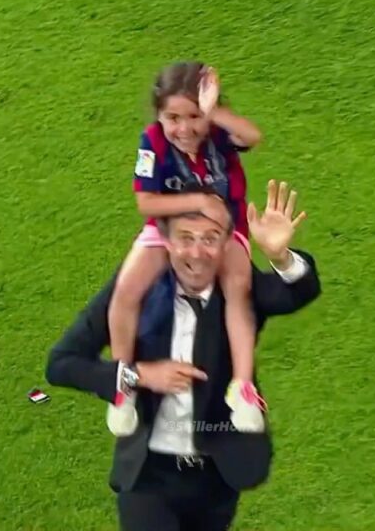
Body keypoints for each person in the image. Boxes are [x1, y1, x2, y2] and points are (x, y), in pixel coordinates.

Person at [46, 179, 320, 531]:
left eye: (209, 238)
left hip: (217, 473)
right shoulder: (131, 292)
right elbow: (62, 363)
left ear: (226, 242)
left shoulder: (238, 286)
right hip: (148, 476)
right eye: (185, 238)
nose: (197, 253)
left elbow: (297, 293)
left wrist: (281, 256)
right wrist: (139, 375)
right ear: (165, 241)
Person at [107, 61, 267, 437]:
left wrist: (215, 113)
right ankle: (123, 382)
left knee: (238, 288)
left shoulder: (219, 132)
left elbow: (254, 136)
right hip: (168, 230)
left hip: (223, 230)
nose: (184, 128)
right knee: (126, 291)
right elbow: (147, 204)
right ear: (159, 116)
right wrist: (196, 202)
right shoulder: (152, 141)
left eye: (194, 116)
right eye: (172, 117)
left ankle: (243, 388)